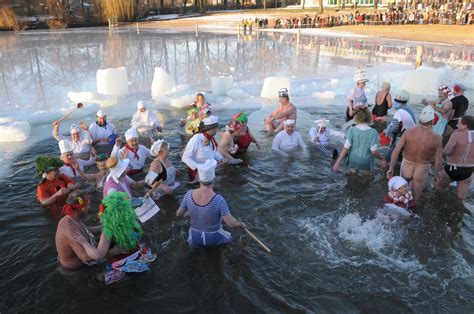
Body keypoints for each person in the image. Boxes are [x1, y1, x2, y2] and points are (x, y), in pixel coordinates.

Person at [72, 192, 155, 284]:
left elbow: (99, 255)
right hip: (139, 256)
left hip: (121, 265)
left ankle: (123, 278)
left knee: (98, 278)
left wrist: (84, 242)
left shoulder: (107, 232)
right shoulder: (131, 223)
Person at [176, 159, 247, 247]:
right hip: (214, 237)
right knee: (231, 239)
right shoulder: (218, 200)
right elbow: (231, 224)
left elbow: (178, 214)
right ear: (214, 178)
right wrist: (240, 224)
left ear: (199, 178)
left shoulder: (189, 194)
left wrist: (189, 213)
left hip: (195, 237)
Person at [387, 106, 443, 201]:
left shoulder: (409, 131)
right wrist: (437, 176)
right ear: (432, 120)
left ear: (420, 119)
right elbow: (438, 162)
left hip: (406, 166)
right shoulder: (437, 138)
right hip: (422, 169)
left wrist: (391, 167)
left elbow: (396, 150)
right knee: (415, 199)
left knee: (401, 196)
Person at [55, 191, 103, 270]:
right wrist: (112, 251)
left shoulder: (71, 218)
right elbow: (85, 257)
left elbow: (86, 230)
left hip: (79, 258)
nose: (89, 208)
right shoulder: (70, 230)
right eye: (87, 205)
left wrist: (105, 227)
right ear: (80, 208)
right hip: (74, 270)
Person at [333, 106, 386, 174]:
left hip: (353, 160)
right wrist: (382, 159)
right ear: (369, 118)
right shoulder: (373, 132)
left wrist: (338, 162)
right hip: (365, 161)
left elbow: (346, 148)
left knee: (352, 177)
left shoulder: (352, 130)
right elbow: (374, 151)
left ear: (356, 117)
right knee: (367, 178)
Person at [436, 115, 474, 202]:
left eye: (459, 123)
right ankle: (459, 212)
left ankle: (438, 205)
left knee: (438, 189)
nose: (456, 125)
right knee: (461, 198)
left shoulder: (456, 135)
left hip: (452, 168)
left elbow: (446, 152)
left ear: (465, 126)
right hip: (468, 171)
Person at [182, 115, 226, 181]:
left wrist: (221, 158)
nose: (217, 130)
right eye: (216, 128)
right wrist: (199, 167)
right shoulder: (196, 139)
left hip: (209, 171)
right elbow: (185, 158)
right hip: (197, 174)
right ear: (210, 128)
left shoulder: (211, 138)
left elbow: (213, 151)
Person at [382, 90, 416, 161]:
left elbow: (394, 128)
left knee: (388, 158)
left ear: (397, 101)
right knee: (401, 159)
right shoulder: (410, 111)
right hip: (410, 139)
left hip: (399, 140)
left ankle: (386, 169)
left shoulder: (399, 112)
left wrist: (387, 132)